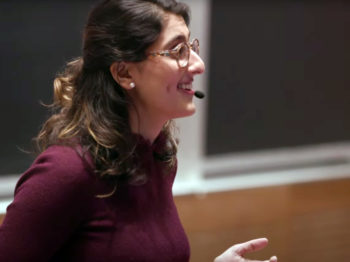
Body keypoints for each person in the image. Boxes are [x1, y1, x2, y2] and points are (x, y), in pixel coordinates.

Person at [0, 0, 277, 261]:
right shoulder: (67, 172)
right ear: (124, 73)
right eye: (178, 51)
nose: (198, 64)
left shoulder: (159, 156)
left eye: (192, 47)